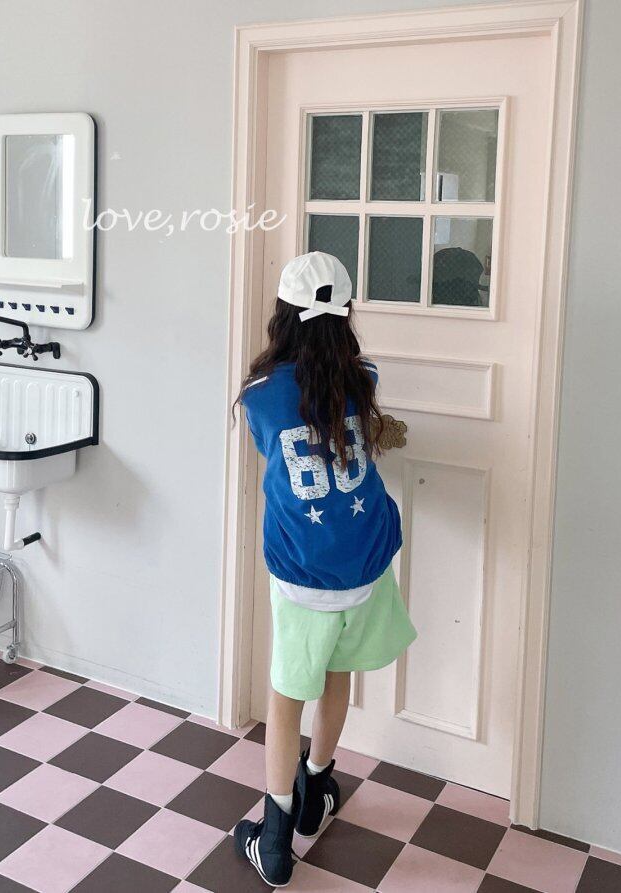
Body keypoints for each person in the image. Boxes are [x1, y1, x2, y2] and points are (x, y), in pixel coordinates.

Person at [232, 252, 417, 887]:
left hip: (303, 570)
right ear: (345, 314)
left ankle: (275, 839)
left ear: (282, 316)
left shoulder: (259, 395)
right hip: (364, 561)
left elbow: (273, 450)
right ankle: (317, 791)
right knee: (337, 674)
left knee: (286, 697)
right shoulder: (363, 378)